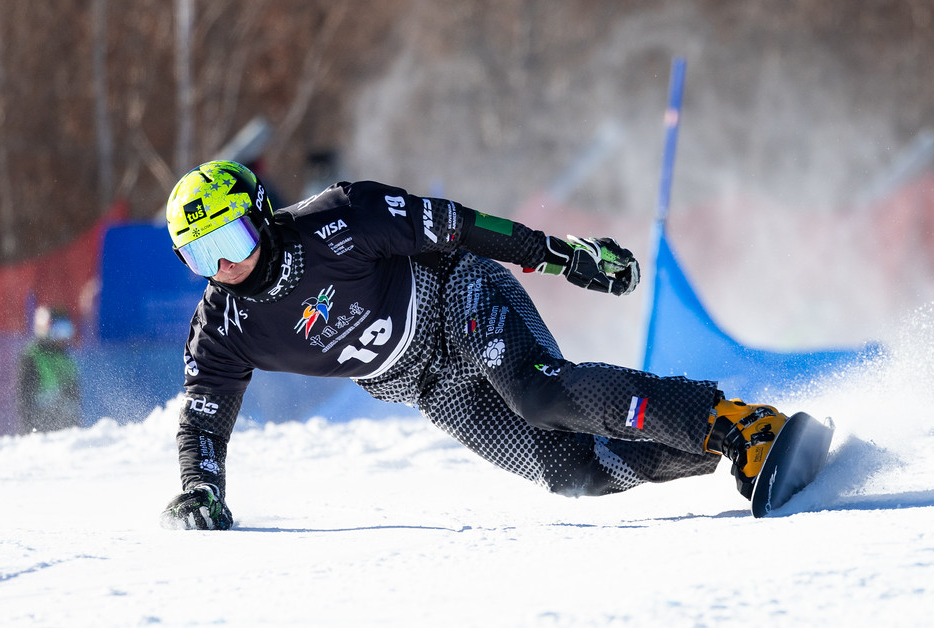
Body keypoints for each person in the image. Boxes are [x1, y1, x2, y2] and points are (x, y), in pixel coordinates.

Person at [159, 160, 788, 530]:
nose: (225, 266)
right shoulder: (221, 327)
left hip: (457, 296)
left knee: (538, 394)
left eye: (232, 241)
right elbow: (202, 421)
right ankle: (717, 446)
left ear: (262, 215)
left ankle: (737, 425)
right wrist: (201, 489)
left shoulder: (342, 217)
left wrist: (564, 256)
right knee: (576, 472)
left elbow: (463, 226)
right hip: (429, 387)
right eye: (201, 256)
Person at [16, 306, 82, 433]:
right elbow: (24, 399)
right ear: (44, 330)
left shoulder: (66, 359)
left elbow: (75, 397)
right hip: (40, 428)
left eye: (67, 330)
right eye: (58, 330)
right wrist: (30, 429)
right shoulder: (32, 357)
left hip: (65, 428)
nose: (63, 337)